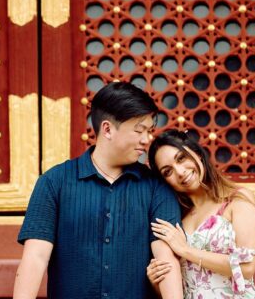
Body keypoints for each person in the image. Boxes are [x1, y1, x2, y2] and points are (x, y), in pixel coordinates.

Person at [13, 82, 183, 299]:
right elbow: (35, 257)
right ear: (107, 129)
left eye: (149, 131)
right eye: (139, 130)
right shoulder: (54, 182)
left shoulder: (156, 187)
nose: (147, 139)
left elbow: (166, 261)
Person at [146, 130, 255, 299]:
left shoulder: (236, 199)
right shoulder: (176, 218)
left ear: (196, 153)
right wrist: (156, 282)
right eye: (168, 171)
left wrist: (185, 250)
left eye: (181, 158)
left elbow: (246, 267)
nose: (180, 172)